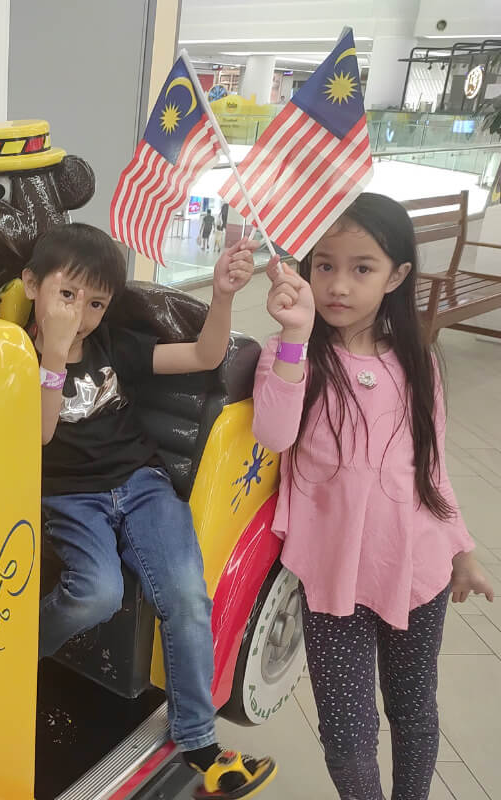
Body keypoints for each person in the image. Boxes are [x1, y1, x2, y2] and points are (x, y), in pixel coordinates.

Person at [252, 192, 494, 800]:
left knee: (413, 708)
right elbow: (274, 434)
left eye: (362, 268)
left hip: (417, 567)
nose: (338, 284)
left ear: (397, 276)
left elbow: (431, 464)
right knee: (347, 727)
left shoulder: (418, 361)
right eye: (324, 265)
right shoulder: (293, 357)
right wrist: (294, 337)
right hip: (333, 579)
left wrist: (461, 548)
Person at [23, 223, 278, 799]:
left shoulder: (113, 345)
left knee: (187, 595)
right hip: (68, 496)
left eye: (95, 303)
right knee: (97, 593)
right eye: (66, 296)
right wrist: (53, 356)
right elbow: (39, 435)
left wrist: (223, 294)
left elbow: (206, 354)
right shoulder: (12, 350)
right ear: (30, 284)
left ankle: (198, 741)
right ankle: (16, 657)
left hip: (141, 484)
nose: (80, 314)